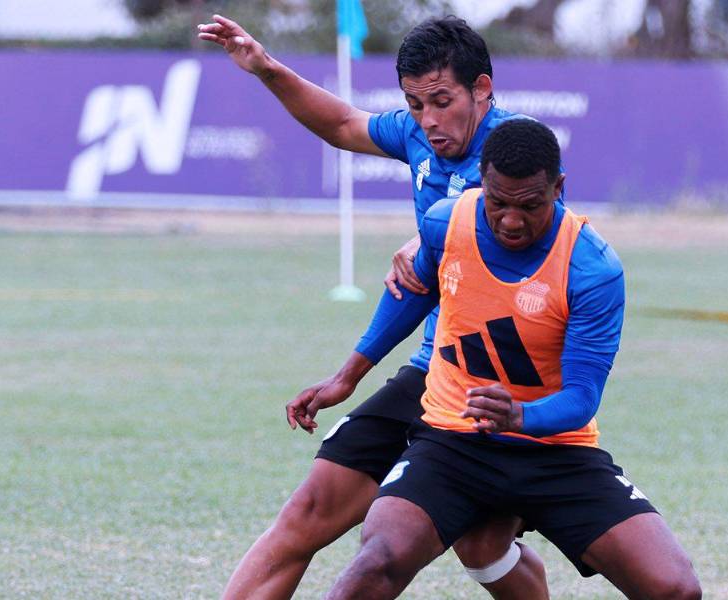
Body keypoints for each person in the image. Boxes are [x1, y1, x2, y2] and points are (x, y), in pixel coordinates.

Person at [197, 14, 552, 599]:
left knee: (481, 545)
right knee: (309, 510)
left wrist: (435, 236)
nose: (428, 120)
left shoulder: (515, 152)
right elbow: (342, 123)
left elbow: (515, 227)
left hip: (500, 385)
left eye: (441, 101)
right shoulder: (418, 134)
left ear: (481, 89)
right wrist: (266, 68)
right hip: (432, 367)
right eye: (415, 104)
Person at [295, 119, 702, 599]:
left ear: (558, 188)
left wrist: (519, 416)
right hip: (452, 441)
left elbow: (581, 398)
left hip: (555, 450)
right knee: (376, 562)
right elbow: (416, 290)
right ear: (483, 184)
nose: (510, 221)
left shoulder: (591, 269)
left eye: (529, 205)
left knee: (675, 588)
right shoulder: (446, 223)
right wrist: (348, 374)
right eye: (498, 203)